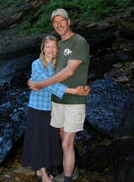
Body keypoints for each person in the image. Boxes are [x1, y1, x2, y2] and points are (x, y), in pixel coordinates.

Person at [29, 9, 90, 182]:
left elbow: (69, 71)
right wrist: (31, 80)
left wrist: (40, 84)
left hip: (74, 101)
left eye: (61, 20)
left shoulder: (79, 42)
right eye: (55, 22)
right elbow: (46, 70)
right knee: (62, 141)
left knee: (66, 143)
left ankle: (68, 178)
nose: (58, 24)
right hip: (55, 102)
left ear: (68, 21)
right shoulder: (58, 45)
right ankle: (71, 169)